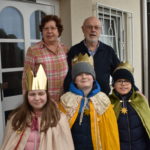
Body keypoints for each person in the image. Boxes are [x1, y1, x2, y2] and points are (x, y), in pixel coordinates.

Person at [0, 64, 74, 150]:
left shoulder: (59, 118)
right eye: (32, 94)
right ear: (26, 96)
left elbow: (64, 145)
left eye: (41, 94)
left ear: (47, 95)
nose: (37, 98)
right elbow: (9, 145)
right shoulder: (16, 118)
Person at [60, 53, 120, 150]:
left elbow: (110, 133)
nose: (84, 77)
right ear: (74, 80)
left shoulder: (103, 100)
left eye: (88, 74)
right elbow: (59, 132)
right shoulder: (66, 100)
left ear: (93, 77)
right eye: (79, 74)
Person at [64, 16, 120, 95]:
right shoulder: (74, 50)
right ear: (83, 29)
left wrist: (134, 89)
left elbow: (119, 73)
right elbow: (68, 76)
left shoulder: (109, 51)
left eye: (96, 27)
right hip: (79, 99)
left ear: (100, 30)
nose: (93, 30)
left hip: (102, 100)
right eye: (89, 27)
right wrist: (66, 95)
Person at [22, 15, 68, 101]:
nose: (49, 31)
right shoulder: (33, 50)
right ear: (42, 31)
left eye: (52, 28)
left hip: (64, 100)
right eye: (45, 28)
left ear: (58, 31)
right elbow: (26, 78)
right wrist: (28, 102)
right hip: (44, 102)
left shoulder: (65, 49)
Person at [109, 62, 150, 150]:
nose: (123, 84)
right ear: (114, 85)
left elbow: (148, 126)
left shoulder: (140, 100)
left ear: (132, 84)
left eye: (127, 81)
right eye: (119, 81)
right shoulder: (108, 103)